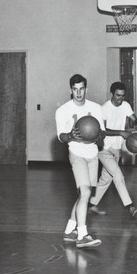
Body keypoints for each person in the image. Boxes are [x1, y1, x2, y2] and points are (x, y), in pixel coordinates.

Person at [55, 74, 105, 248]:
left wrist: (98, 137)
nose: (78, 93)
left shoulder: (96, 108)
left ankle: (70, 230)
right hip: (76, 154)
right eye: (75, 89)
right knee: (85, 193)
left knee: (84, 195)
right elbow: (61, 136)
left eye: (81, 89)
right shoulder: (63, 110)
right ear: (70, 90)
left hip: (93, 155)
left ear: (86, 89)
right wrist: (70, 135)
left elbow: (102, 136)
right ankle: (82, 235)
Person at [88, 82, 137, 218]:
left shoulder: (125, 105)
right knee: (118, 175)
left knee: (106, 179)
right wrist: (121, 133)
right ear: (112, 94)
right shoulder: (104, 108)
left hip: (116, 149)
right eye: (118, 95)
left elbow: (134, 118)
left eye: (123, 96)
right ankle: (130, 206)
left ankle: (91, 204)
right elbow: (102, 131)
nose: (120, 98)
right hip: (104, 149)